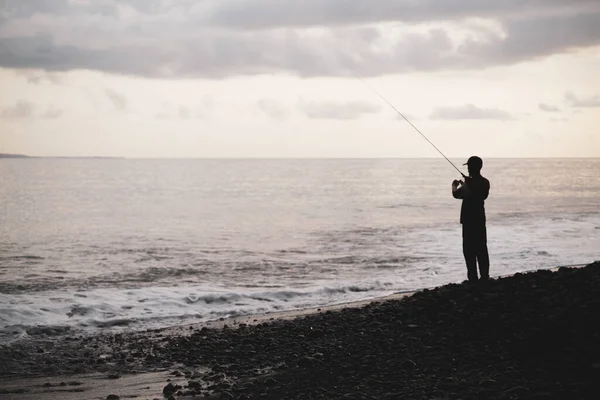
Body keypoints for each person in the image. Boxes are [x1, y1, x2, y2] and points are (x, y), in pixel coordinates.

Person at [452, 156, 490, 282]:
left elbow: (457, 194)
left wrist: (454, 185)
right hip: (480, 219)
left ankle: (473, 278)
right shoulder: (485, 182)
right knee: (481, 248)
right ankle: (485, 276)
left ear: (472, 167)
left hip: (468, 220)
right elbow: (480, 194)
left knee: (469, 250)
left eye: (469, 166)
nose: (467, 169)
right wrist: (467, 184)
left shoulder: (470, 184)